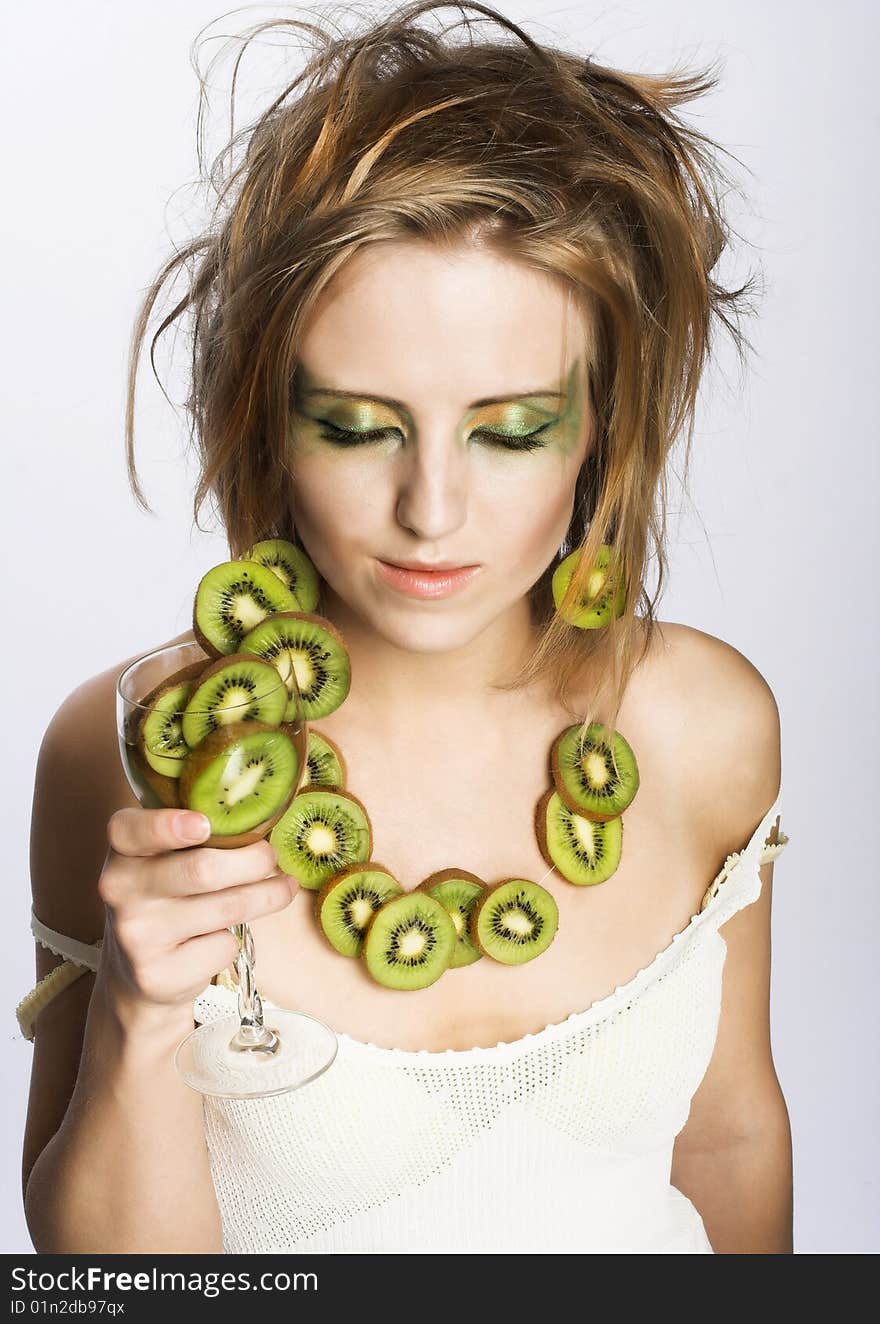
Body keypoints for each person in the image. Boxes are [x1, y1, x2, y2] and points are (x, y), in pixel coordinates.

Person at [18, 1, 793, 1254]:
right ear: (268, 415)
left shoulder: (708, 725)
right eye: (359, 423)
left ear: (600, 426)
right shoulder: (120, 752)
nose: (431, 510)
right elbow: (111, 1286)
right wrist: (136, 1018)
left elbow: (729, 1135)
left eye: (509, 427)